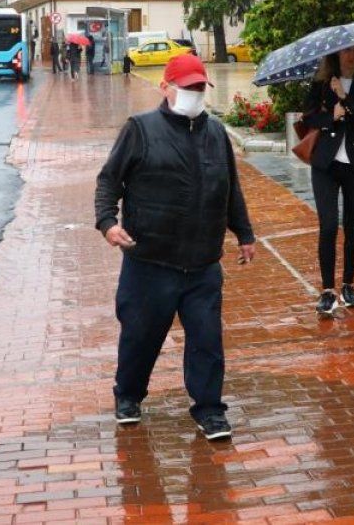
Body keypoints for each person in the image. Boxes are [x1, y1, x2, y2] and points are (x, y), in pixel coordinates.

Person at [94, 54, 256, 440]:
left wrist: (244, 233)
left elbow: (230, 187)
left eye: (200, 87)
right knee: (140, 336)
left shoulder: (215, 133)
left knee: (206, 341)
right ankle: (128, 395)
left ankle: (210, 410)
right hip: (150, 260)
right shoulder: (140, 129)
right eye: (188, 87)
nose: (195, 94)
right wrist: (107, 223)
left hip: (202, 262)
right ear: (165, 87)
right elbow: (109, 180)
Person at [301, 43, 354, 317]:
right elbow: (309, 116)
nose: (352, 55)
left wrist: (344, 98)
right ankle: (327, 290)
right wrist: (331, 116)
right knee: (328, 225)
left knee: (352, 225)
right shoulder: (322, 80)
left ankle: (348, 284)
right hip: (326, 163)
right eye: (347, 50)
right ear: (337, 52)